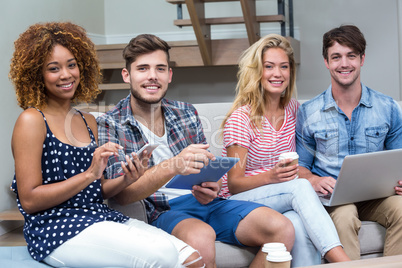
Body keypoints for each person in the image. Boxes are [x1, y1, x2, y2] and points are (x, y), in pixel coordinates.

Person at [9, 22, 203, 268]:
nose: (66, 74)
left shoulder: (88, 120)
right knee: (162, 254)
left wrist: (128, 178)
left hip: (98, 217)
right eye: (53, 68)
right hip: (55, 229)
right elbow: (29, 200)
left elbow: (98, 190)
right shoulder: (31, 120)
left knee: (192, 258)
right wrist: (90, 173)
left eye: (72, 65)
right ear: (37, 74)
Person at [97, 33, 295, 268]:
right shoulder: (110, 124)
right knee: (200, 237)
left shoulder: (185, 112)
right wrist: (172, 165)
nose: (152, 76)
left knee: (282, 229)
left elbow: (210, 172)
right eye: (143, 69)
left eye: (160, 68)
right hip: (161, 210)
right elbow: (120, 195)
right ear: (126, 75)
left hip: (206, 203)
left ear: (169, 75)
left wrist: (213, 187)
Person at [218, 34, 350, 266]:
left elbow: (301, 163)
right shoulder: (241, 119)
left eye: (284, 67)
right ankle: (344, 263)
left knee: (297, 225)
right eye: (269, 67)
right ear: (258, 72)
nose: (277, 74)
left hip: (278, 196)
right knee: (299, 188)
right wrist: (272, 177)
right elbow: (234, 184)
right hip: (237, 201)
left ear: (291, 72)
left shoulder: (294, 110)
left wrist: (315, 178)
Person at [296, 25, 402, 260]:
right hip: (334, 200)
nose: (344, 64)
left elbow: (399, 160)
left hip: (378, 197)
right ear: (326, 61)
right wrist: (314, 179)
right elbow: (300, 168)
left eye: (351, 55)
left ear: (362, 59)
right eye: (336, 57)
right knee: (344, 218)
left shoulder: (388, 108)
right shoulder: (308, 112)